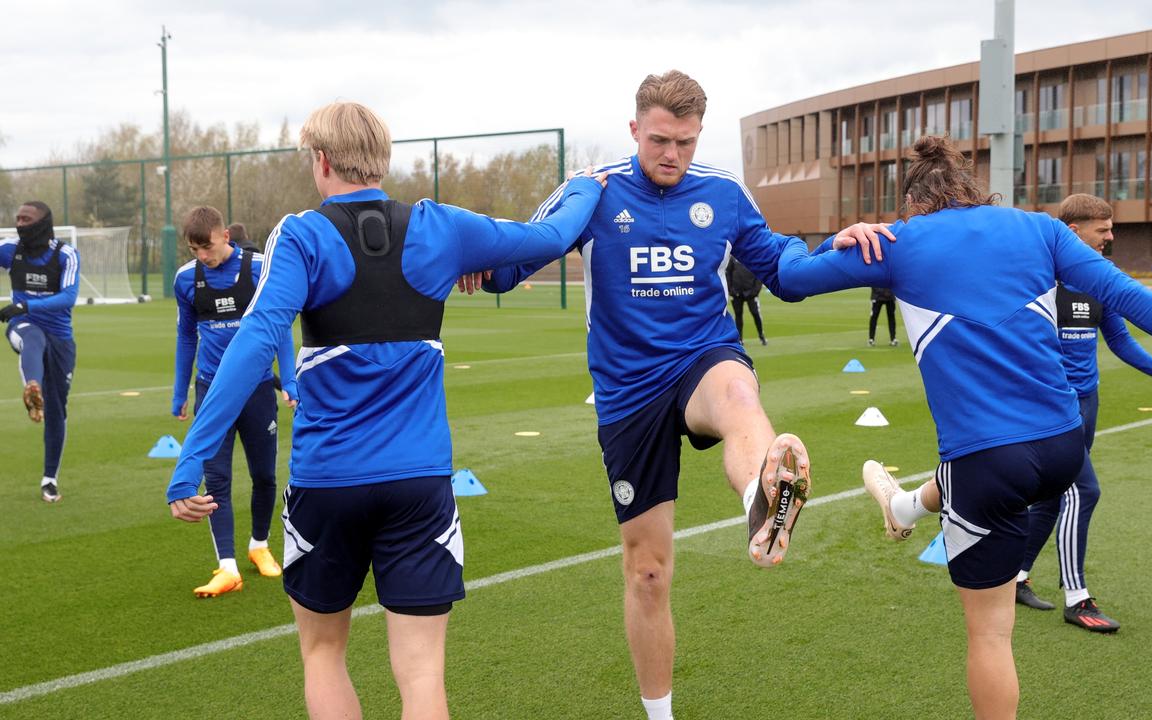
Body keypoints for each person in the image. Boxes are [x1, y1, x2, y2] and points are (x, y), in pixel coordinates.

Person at [775, 135, 1152, 720]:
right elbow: (1128, 295)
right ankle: (903, 508)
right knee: (970, 481)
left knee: (990, 636)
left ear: (915, 201)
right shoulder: (1040, 227)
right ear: (975, 190)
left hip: (988, 462)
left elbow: (791, 279)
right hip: (1062, 447)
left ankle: (905, 509)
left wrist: (840, 238)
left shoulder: (897, 240)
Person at [164, 101, 607, 719]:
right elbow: (554, 237)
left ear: (320, 160)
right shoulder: (441, 227)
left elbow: (256, 341)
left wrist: (192, 459)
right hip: (418, 482)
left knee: (323, 655)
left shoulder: (301, 233)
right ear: (383, 158)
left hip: (327, 482)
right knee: (422, 674)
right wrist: (587, 185)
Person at [477, 70, 892, 720]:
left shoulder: (723, 194)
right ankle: (659, 714)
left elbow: (783, 269)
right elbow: (516, 261)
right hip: (626, 390)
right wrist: (474, 256)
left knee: (739, 399)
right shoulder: (594, 189)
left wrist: (836, 247)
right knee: (648, 571)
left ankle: (762, 494)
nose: (673, 154)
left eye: (687, 142)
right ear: (635, 129)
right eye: (662, 140)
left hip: (703, 356)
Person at [1014, 193, 1152, 632]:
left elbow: (1121, 341)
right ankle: (1078, 598)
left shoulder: (1099, 281)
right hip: (1055, 407)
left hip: (1089, 403)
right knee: (1084, 491)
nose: (1111, 236)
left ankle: (1015, 577)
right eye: (1103, 229)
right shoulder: (1037, 281)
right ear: (1073, 232)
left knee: (1053, 495)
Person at [172, 206, 298, 597]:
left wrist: (289, 380)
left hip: (258, 388)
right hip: (210, 389)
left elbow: (279, 329)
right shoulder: (186, 279)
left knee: (265, 476)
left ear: (225, 235)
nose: (202, 257)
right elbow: (186, 337)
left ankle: (259, 545)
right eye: (194, 250)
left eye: (206, 247)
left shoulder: (261, 268)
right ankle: (227, 566)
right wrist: (180, 392)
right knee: (217, 479)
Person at [0, 201, 80, 503]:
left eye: (26, 219)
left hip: (61, 337)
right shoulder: (10, 249)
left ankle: (49, 479)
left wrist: (26, 304)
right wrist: (23, 311)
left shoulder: (66, 254)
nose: (20, 223)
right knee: (32, 337)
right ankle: (32, 387)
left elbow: (69, 297)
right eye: (17, 217)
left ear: (43, 222)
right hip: (22, 325)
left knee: (57, 411)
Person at [726, 256, 767, 346]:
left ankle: (761, 335)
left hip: (751, 292)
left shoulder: (753, 257)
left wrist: (755, 291)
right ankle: (739, 339)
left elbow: (759, 275)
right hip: (737, 292)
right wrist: (730, 289)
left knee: (755, 313)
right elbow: (728, 273)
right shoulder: (734, 258)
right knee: (738, 315)